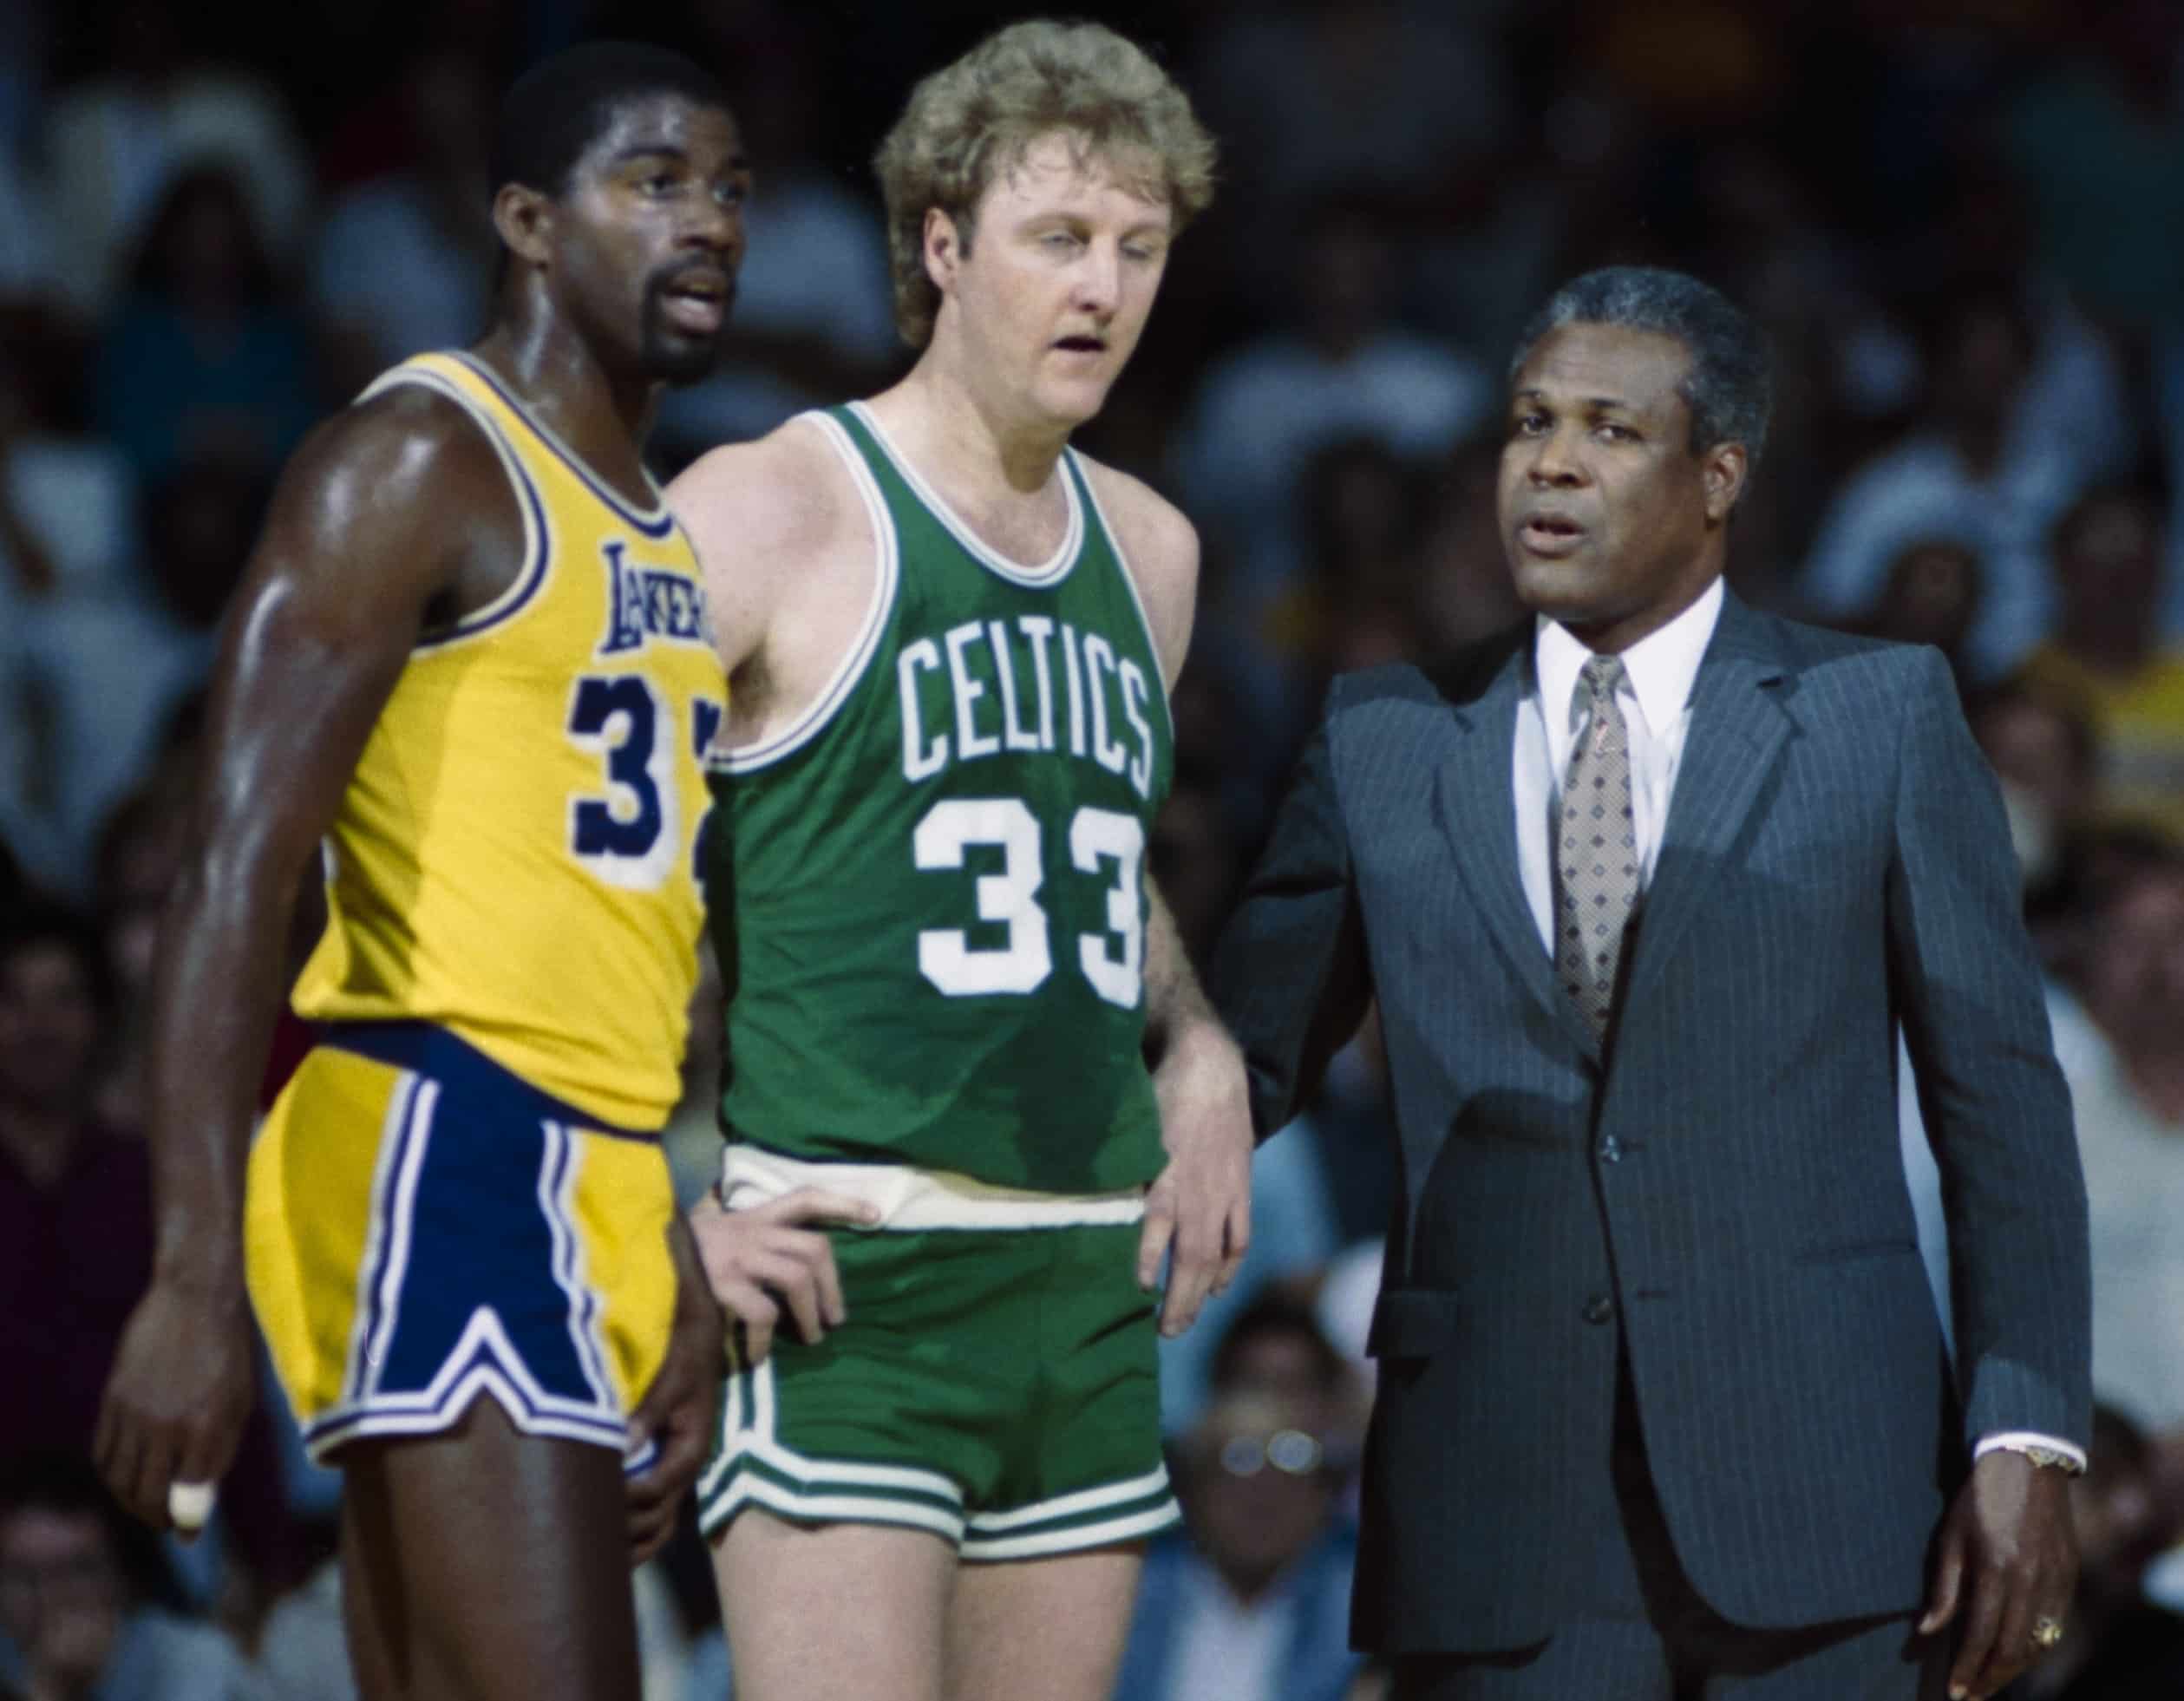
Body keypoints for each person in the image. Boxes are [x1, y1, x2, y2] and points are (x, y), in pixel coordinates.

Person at [1211, 265, 2093, 1700]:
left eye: (1609, 431)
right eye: (1525, 423)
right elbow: (1238, 1061)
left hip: (1828, 1492)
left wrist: (2024, 1434)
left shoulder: (1875, 714)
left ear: (1717, 475)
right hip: (1499, 1506)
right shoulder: (1382, 735)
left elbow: (2001, 1106)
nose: (1548, 463)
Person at [91, 43, 747, 1701]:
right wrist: (188, 1273)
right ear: (527, 219)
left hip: (587, 1163)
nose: (709, 225)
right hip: (446, 1142)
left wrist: (657, 1230)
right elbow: (230, 871)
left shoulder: (655, 524)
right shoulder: (418, 459)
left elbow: (613, 934)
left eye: (729, 189)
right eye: (654, 182)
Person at [663, 20, 1253, 1699]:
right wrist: (645, 1202)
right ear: (939, 245)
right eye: (1058, 240)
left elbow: (1091, 859)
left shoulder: (1152, 551)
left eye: (1138, 249)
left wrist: (1195, 1039)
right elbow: (580, 861)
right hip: (850, 1265)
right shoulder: (769, 503)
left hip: (1082, 1275)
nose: (1105, 288)